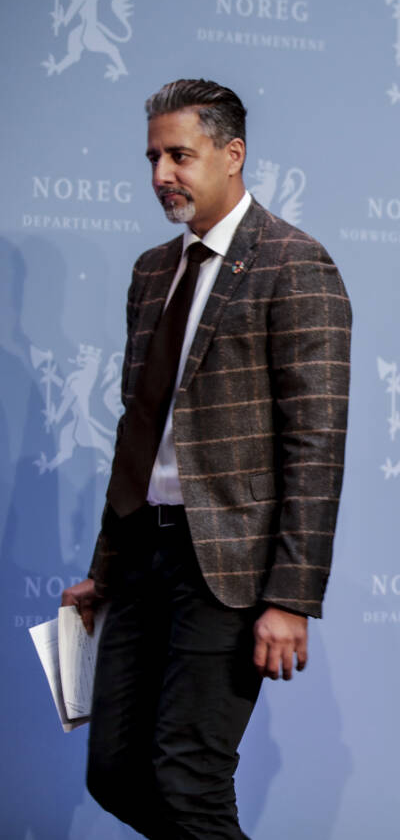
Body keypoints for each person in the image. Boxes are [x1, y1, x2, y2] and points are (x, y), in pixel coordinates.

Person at [60, 79, 352, 839]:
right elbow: (139, 428)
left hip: (228, 568)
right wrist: (107, 562)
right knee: (114, 772)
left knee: (188, 774)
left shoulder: (295, 264)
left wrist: (291, 596)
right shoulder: (151, 270)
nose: (161, 173)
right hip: (142, 551)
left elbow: (316, 444)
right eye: (153, 156)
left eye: (179, 155)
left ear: (233, 154)